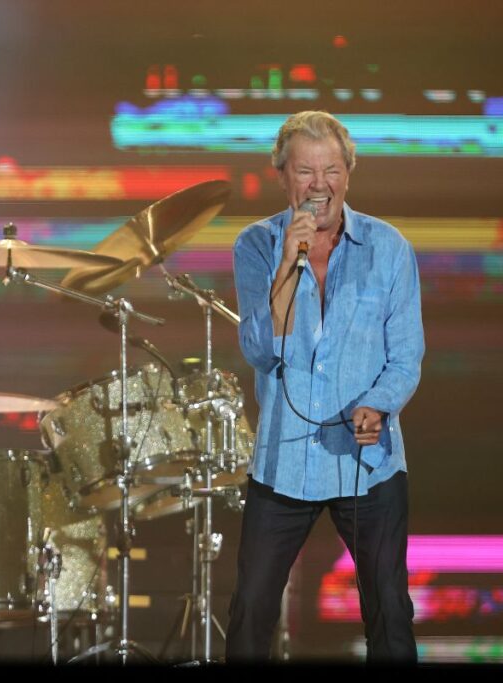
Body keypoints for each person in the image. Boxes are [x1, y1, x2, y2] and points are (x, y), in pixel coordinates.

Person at [226, 111, 423, 662]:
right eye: (305, 172)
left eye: (330, 170)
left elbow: (406, 358)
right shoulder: (257, 246)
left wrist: (378, 406)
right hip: (284, 461)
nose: (318, 185)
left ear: (349, 173)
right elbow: (262, 351)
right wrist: (288, 262)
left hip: (367, 463)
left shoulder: (389, 249)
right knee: (251, 614)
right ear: (283, 176)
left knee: (389, 610)